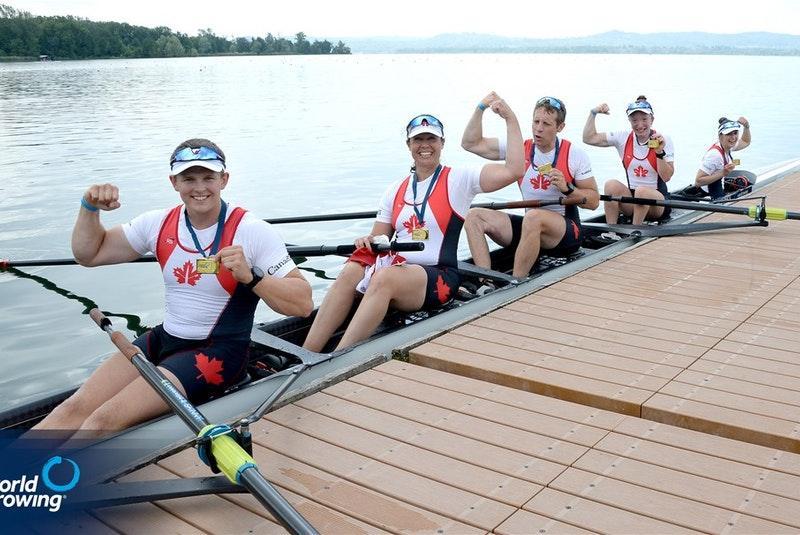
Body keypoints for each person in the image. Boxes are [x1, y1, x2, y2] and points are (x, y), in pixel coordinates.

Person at [34, 138, 313, 437]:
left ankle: (46, 482)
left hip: (219, 354)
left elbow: (303, 304)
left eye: (208, 177)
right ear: (174, 182)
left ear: (224, 179)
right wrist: (89, 208)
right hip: (165, 339)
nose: (199, 187)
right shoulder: (157, 223)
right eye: (188, 178)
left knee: (102, 421)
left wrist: (252, 278)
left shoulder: (253, 231)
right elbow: (88, 254)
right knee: (70, 410)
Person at [303, 95, 524, 352]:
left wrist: (510, 119)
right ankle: (307, 353)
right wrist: (367, 242)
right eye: (418, 139)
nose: (425, 145)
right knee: (353, 266)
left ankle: (336, 356)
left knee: (385, 277)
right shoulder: (395, 190)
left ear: (442, 143)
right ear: (409, 145)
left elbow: (514, 170)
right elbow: (379, 241)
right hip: (399, 273)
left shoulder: (459, 180)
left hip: (439, 279)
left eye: (431, 138)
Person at [461, 95, 599, 283]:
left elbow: (593, 202)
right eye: (536, 121)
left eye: (546, 124)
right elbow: (471, 143)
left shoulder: (575, 155)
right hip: (531, 229)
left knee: (533, 217)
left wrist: (568, 189)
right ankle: (486, 281)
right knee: (474, 216)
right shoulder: (520, 149)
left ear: (560, 127)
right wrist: (481, 107)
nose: (539, 128)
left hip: (566, 235)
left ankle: (515, 283)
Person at [583, 95, 675, 239]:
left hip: (658, 204)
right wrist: (593, 113)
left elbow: (667, 177)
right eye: (634, 120)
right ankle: (611, 232)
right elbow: (588, 138)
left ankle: (634, 232)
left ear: (652, 120)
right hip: (633, 203)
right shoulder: (623, 137)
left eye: (644, 119)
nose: (639, 125)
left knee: (642, 191)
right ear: (630, 121)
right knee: (611, 185)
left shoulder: (663, 140)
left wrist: (659, 152)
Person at [695, 117, 752, 199]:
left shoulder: (728, 145)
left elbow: (746, 142)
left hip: (719, 185)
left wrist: (746, 127)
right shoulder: (715, 155)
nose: (733, 138)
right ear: (720, 136)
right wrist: (723, 173)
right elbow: (698, 182)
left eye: (735, 133)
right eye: (729, 134)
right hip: (708, 193)